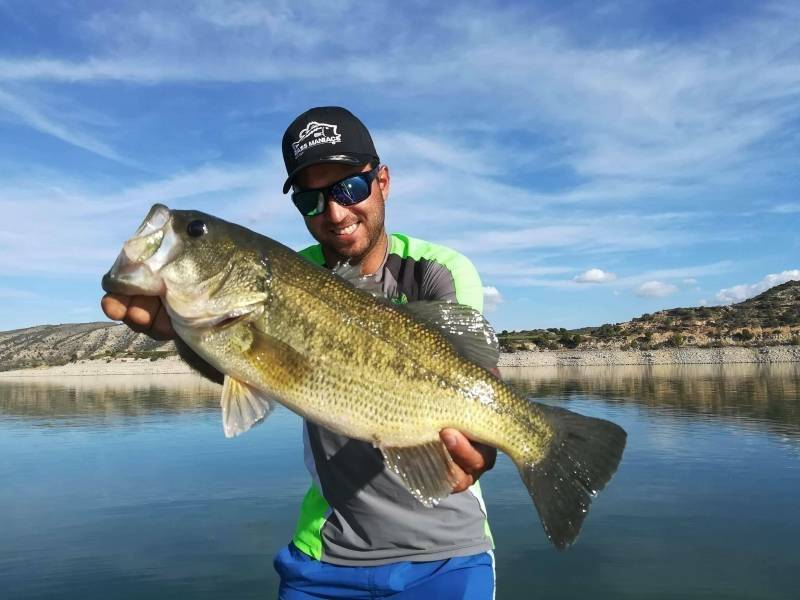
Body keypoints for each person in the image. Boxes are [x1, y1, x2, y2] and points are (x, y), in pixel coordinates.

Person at [101, 106, 498, 599]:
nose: (334, 213)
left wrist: (488, 445)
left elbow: (470, 378)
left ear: (384, 182)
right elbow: (253, 366)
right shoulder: (295, 271)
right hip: (325, 551)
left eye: (350, 188)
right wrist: (186, 333)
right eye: (311, 199)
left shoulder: (437, 269)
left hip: (446, 554)